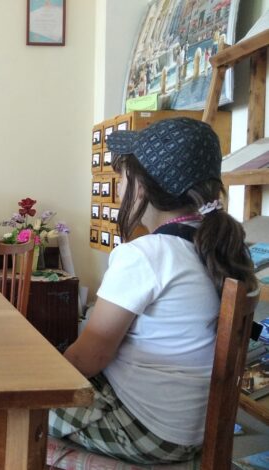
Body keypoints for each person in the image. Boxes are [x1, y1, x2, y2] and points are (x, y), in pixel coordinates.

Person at [49, 117, 257, 465]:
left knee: (16, 402)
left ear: (141, 187)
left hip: (146, 430)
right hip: (193, 426)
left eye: (121, 178)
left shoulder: (147, 254)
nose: (118, 189)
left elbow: (88, 358)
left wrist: (39, 379)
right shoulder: (222, 248)